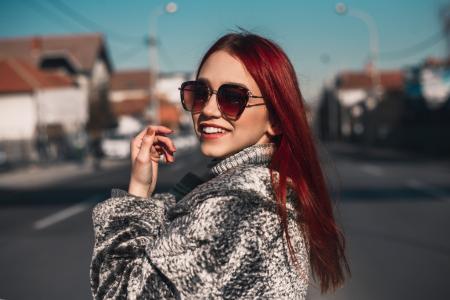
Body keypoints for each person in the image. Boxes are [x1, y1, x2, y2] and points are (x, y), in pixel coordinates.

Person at [90, 30, 350, 299]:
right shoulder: (273, 194)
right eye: (200, 93)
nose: (209, 110)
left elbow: (118, 293)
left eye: (233, 98)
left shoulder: (236, 210)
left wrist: (137, 198)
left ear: (276, 119)